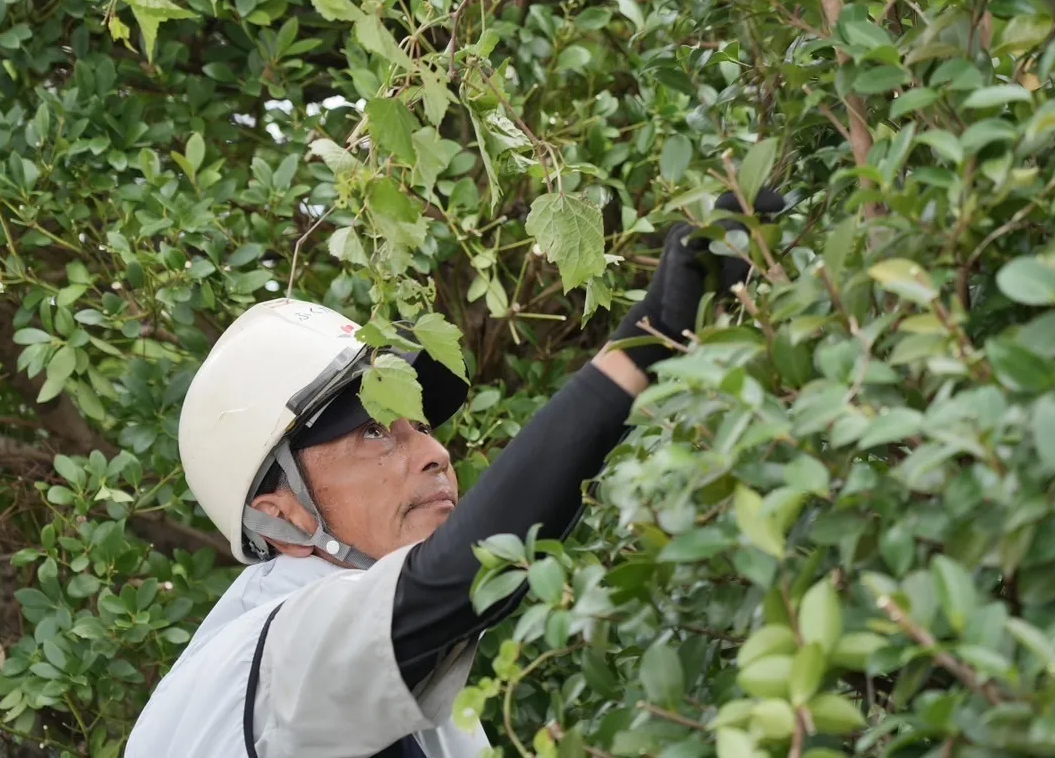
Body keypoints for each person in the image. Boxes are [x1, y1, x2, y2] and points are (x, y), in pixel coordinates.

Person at [125, 191, 782, 758]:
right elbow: (457, 574)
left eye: (421, 425)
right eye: (375, 430)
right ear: (284, 513)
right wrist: (648, 338)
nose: (434, 454)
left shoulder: (425, 699)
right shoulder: (270, 649)